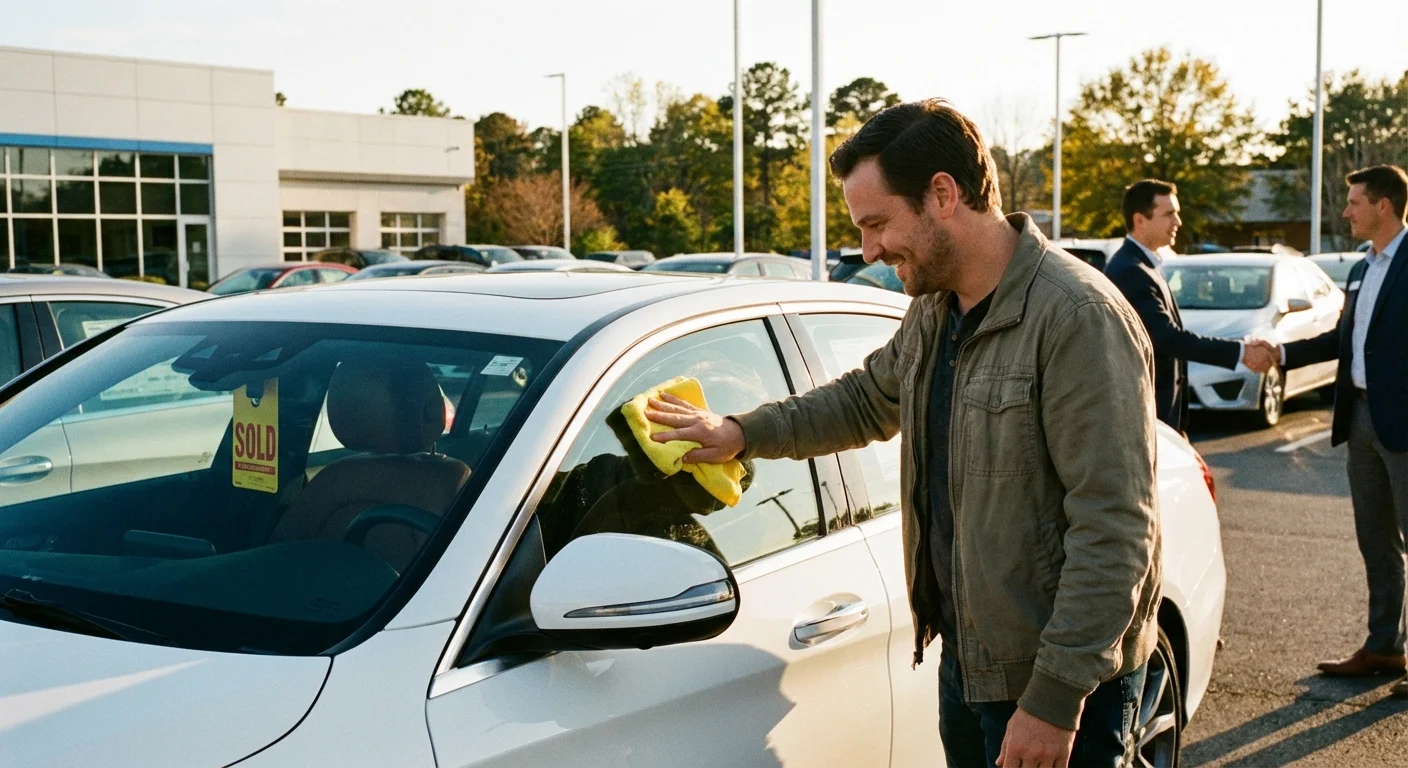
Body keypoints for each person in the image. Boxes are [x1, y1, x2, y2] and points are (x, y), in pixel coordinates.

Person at [646, 99, 1161, 768]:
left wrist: (1053, 701)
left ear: (942, 195)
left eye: (878, 224)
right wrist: (742, 431)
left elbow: (1115, 528)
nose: (870, 251)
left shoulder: (1076, 318)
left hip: (1058, 686)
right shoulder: (935, 310)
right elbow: (865, 399)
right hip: (971, 664)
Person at [1248, 165, 1408, 696]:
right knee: (1375, 540)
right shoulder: (1362, 268)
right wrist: (1282, 355)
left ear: (1383, 205)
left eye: (1355, 202)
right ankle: (1385, 645)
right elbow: (1344, 340)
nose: (1346, 212)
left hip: (1404, 424)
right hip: (1360, 418)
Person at [1104, 179, 1275, 431]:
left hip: (1159, 415)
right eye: (1169, 214)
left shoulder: (1146, 264)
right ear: (1140, 220)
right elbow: (1168, 339)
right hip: (1145, 416)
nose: (1178, 223)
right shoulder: (1130, 270)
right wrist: (1242, 352)